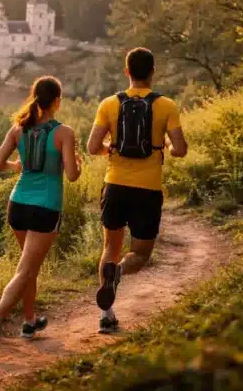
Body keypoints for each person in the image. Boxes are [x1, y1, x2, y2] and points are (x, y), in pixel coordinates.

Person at [0, 76, 82, 359]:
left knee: (28, 266)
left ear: (35, 98)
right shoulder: (63, 133)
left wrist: (17, 165)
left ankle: (29, 322)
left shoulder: (17, 129)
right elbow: (71, 175)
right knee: (24, 270)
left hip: (17, 204)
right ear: (57, 101)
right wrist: (76, 161)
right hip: (45, 208)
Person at [86, 47, 188, 334]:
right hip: (147, 189)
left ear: (126, 71)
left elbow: (93, 147)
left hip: (115, 184)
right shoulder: (166, 105)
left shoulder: (109, 104)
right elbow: (179, 149)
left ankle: (106, 315)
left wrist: (111, 149)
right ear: (153, 72)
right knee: (139, 255)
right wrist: (165, 146)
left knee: (110, 247)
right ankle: (118, 271)